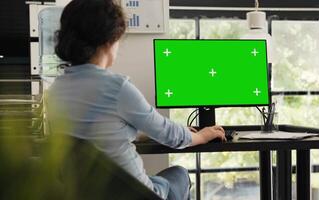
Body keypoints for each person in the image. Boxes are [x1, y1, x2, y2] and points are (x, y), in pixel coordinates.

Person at [46, 0, 226, 199]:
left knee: (161, 179)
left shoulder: (54, 91)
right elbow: (169, 134)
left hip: (89, 194)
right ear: (110, 40)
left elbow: (94, 137)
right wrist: (202, 135)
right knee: (180, 174)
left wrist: (138, 133)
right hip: (135, 194)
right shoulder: (116, 87)